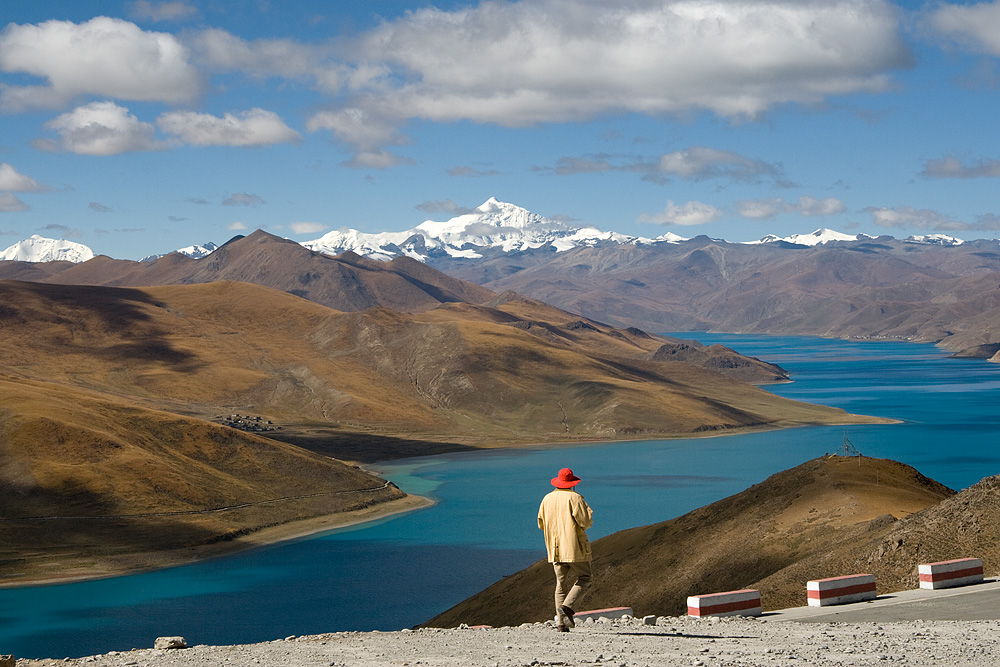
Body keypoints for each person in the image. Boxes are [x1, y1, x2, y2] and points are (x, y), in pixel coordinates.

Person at [537, 467, 593, 632]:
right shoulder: (575, 498)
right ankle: (568, 607)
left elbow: (541, 523)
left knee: (560, 584)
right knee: (585, 578)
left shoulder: (547, 499)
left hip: (554, 548)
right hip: (574, 547)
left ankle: (561, 623)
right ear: (572, 483)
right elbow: (586, 522)